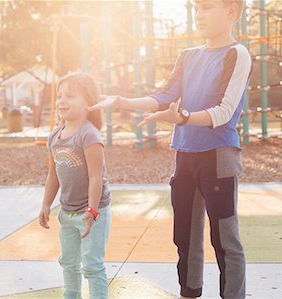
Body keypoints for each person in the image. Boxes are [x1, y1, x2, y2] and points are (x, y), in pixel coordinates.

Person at [89, 1, 252, 298]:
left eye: (207, 7)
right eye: (197, 8)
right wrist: (123, 102)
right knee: (185, 237)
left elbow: (224, 112)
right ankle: (189, 293)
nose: (199, 14)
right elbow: (164, 98)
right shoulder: (187, 57)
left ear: (231, 12)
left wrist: (183, 117)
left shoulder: (236, 54)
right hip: (185, 157)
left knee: (225, 241)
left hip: (219, 156)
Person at [39, 73, 112, 299]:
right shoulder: (54, 136)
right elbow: (53, 176)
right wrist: (45, 205)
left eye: (69, 96)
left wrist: (91, 210)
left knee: (92, 265)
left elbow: (95, 178)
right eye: (60, 96)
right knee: (68, 262)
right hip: (67, 213)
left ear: (88, 103)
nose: (61, 101)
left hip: (92, 213)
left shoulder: (89, 135)